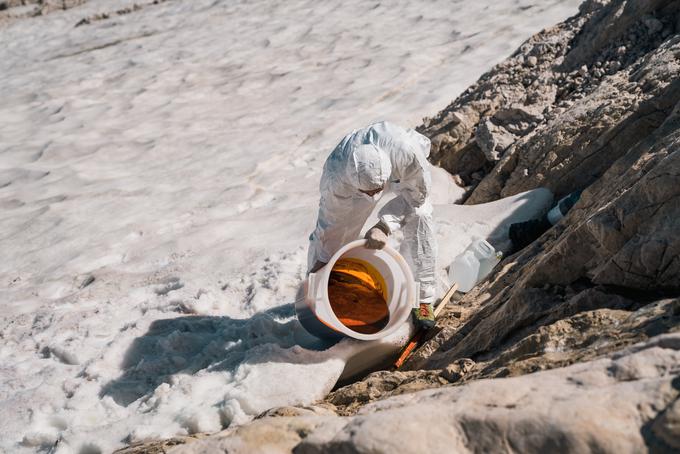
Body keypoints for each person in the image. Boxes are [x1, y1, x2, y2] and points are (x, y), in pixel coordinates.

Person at [307, 121, 437, 328]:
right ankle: (324, 291)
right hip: (351, 187)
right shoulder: (336, 179)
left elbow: (417, 198)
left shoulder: (408, 156)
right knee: (329, 243)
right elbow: (331, 224)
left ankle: (422, 299)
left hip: (401, 174)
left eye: (377, 190)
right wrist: (322, 263)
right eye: (369, 193)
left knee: (421, 216)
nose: (374, 197)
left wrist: (384, 226)